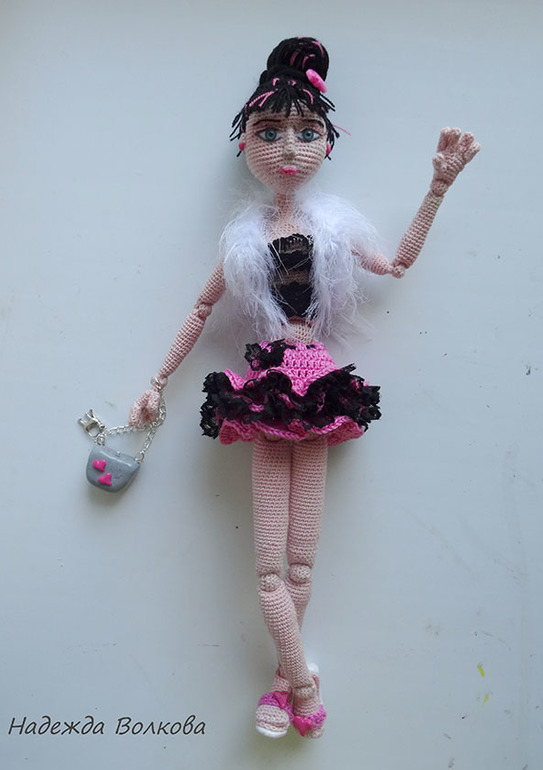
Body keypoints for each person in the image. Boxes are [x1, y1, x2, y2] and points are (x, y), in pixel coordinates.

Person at [129, 37, 480, 738]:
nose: (288, 147)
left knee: (299, 561)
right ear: (245, 144)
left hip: (317, 386)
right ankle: (300, 681)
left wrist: (438, 186)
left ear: (326, 141)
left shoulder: (334, 227)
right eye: (269, 132)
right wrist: (158, 379)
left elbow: (394, 265)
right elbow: (200, 308)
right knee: (268, 571)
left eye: (306, 131)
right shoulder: (240, 242)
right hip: (265, 390)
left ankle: (278, 684)